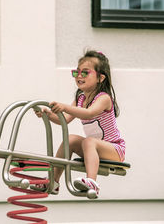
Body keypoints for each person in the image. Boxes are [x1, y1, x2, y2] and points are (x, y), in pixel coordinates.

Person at [32, 50, 125, 197]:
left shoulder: (104, 98)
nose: (79, 76)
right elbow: (65, 120)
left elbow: (89, 113)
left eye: (85, 72)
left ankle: (92, 182)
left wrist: (65, 107)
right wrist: (48, 115)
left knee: (89, 141)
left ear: (101, 78)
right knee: (71, 139)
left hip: (114, 150)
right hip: (93, 149)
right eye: (77, 72)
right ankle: (53, 181)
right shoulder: (80, 99)